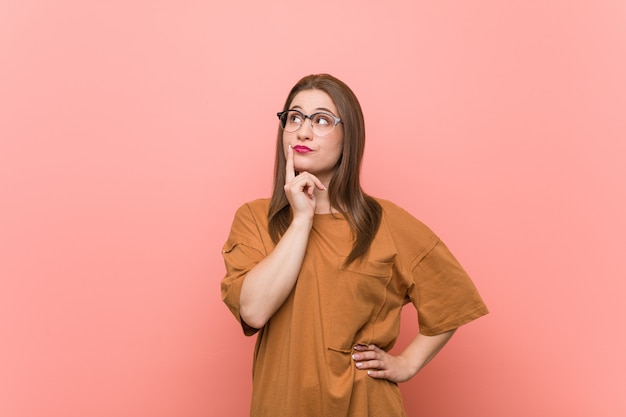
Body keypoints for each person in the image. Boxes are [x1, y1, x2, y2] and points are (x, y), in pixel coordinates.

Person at [221, 73, 488, 417]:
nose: (303, 131)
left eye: (321, 120)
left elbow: (454, 299)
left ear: (350, 136)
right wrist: (302, 219)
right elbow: (254, 311)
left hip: (365, 406)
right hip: (282, 405)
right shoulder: (255, 219)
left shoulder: (385, 222)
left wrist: (407, 363)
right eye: (294, 118)